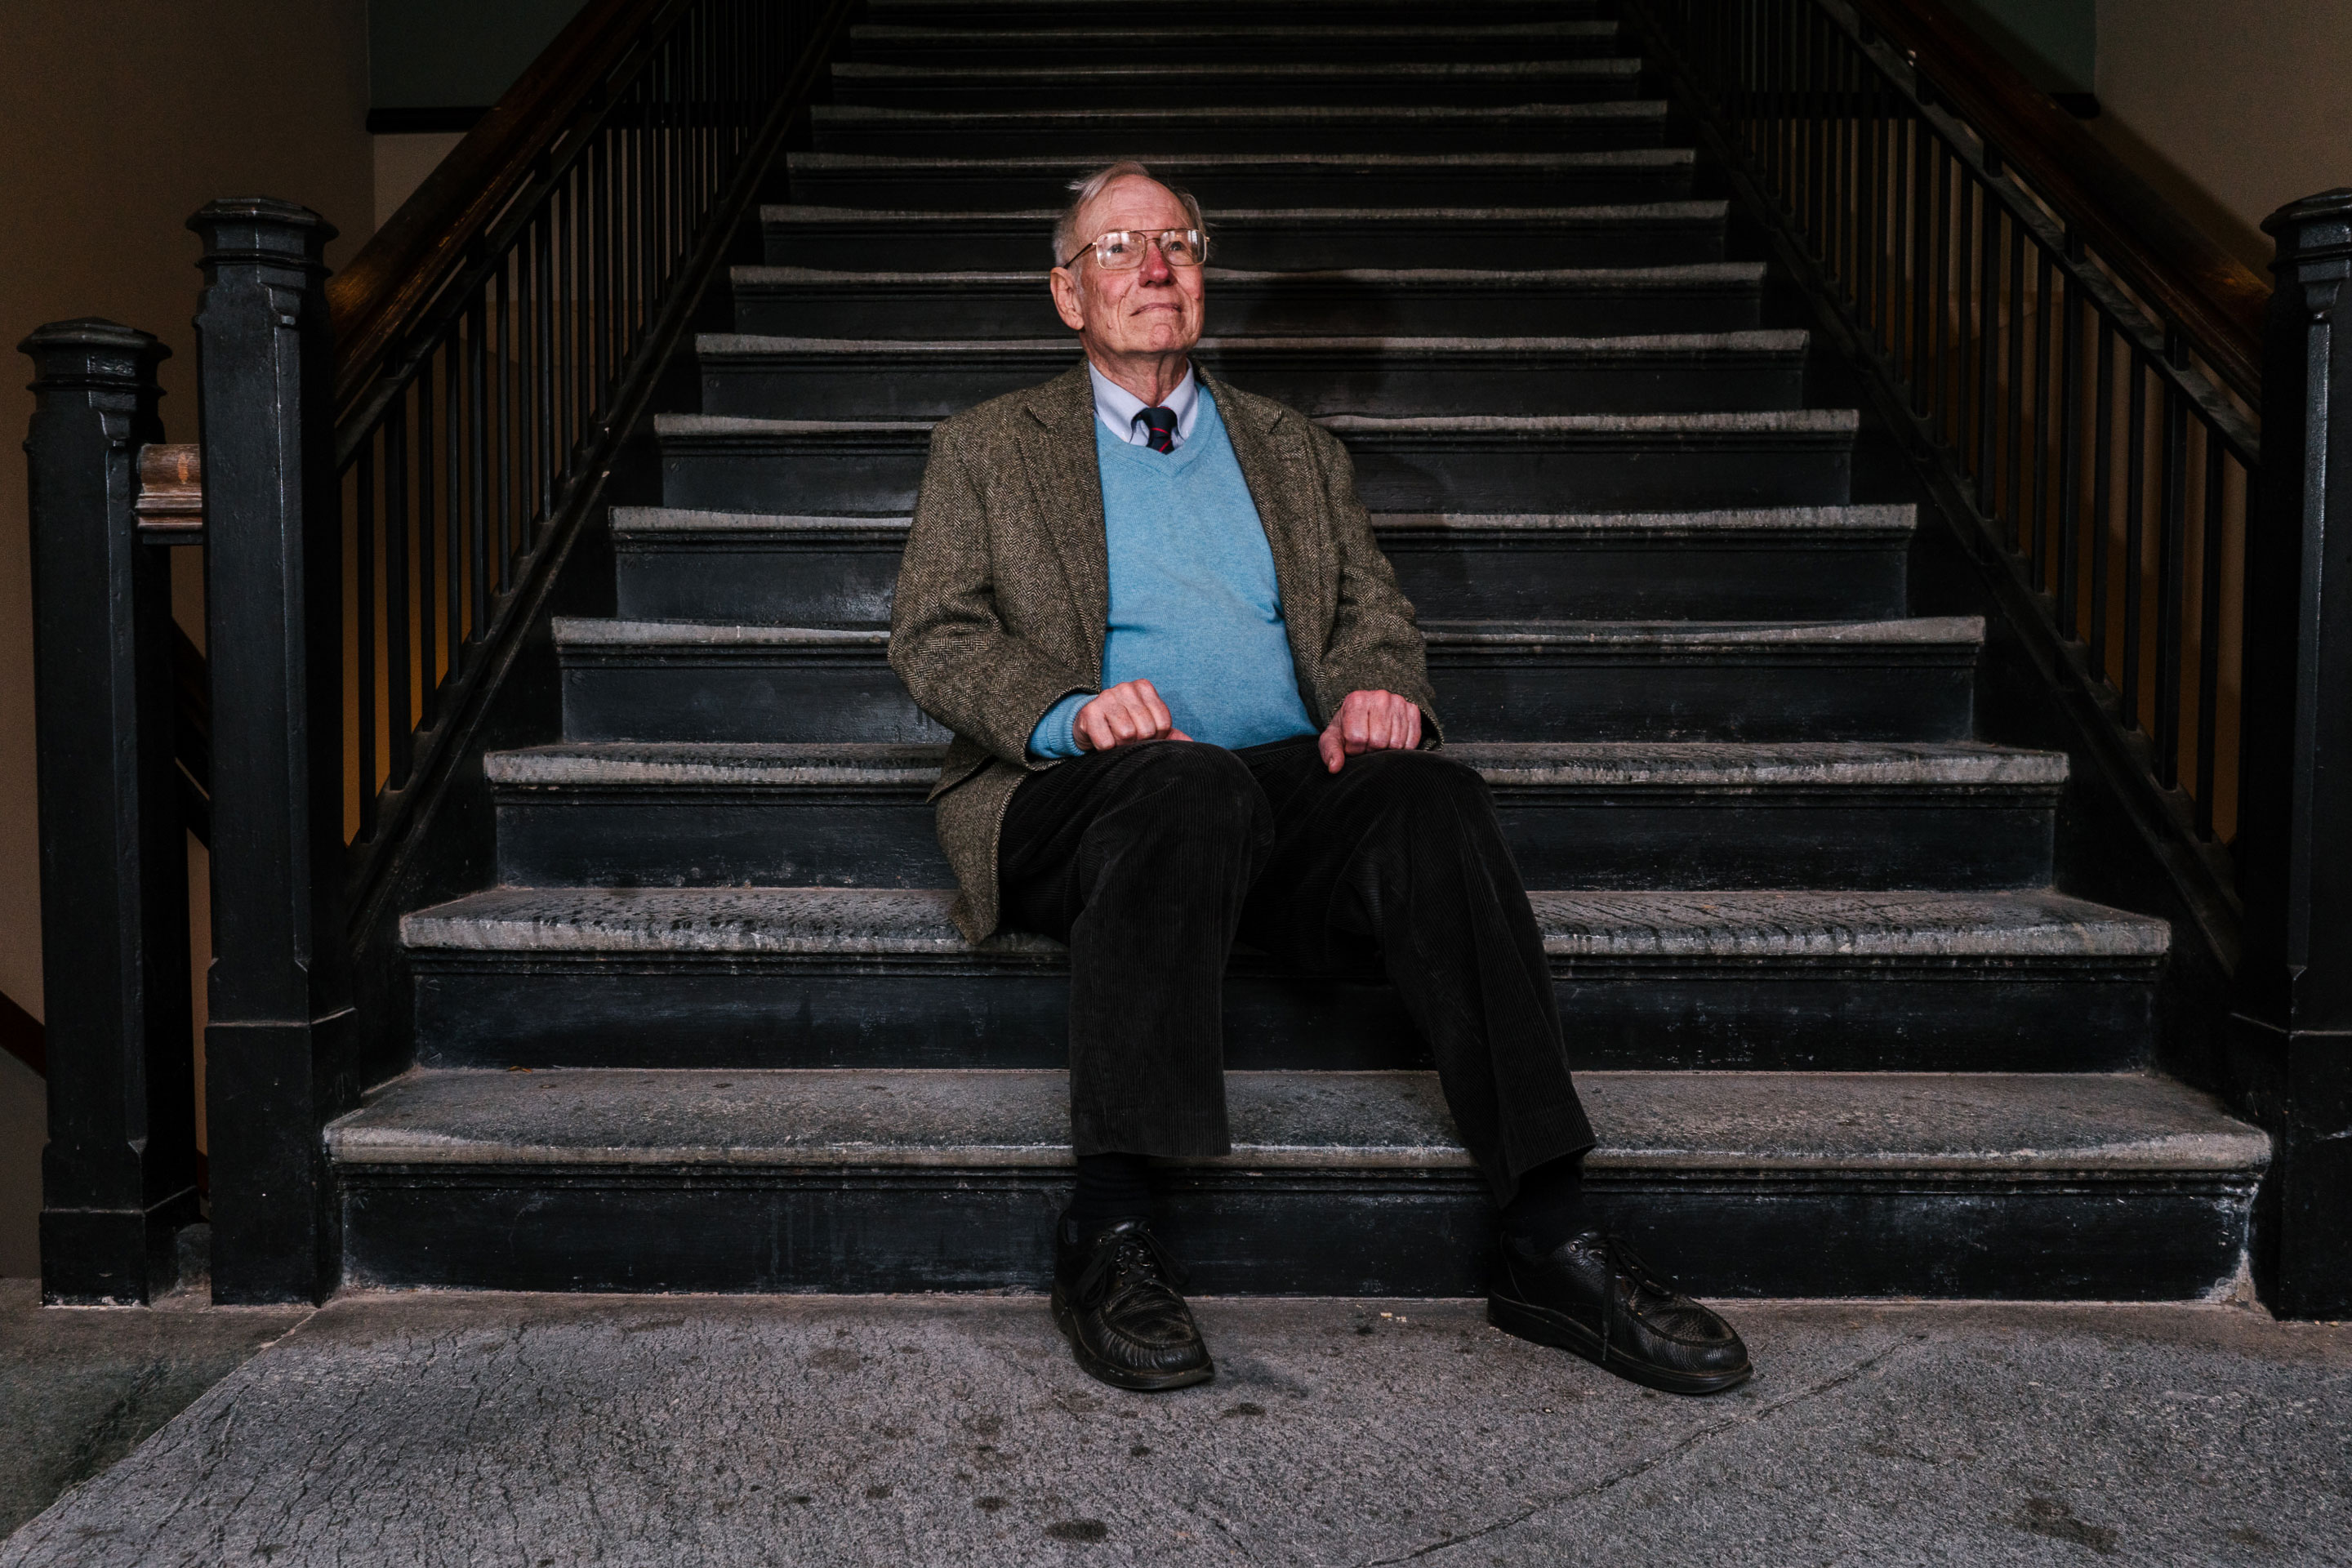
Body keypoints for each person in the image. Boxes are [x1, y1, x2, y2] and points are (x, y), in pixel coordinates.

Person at [887, 161, 1749, 1397]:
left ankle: (1547, 1231)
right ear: (1068, 295)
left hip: (1278, 795)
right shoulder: (987, 448)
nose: (1153, 266)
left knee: (1432, 797)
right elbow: (936, 634)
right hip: (1078, 794)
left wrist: (1377, 691)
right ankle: (1111, 1226)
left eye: (1175, 242)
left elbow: (1372, 621)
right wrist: (1070, 713)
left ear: (1203, 273)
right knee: (1185, 783)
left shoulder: (1294, 449)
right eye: (1118, 248)